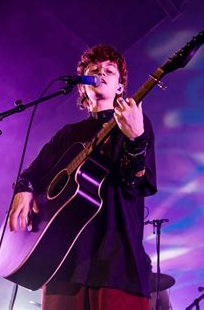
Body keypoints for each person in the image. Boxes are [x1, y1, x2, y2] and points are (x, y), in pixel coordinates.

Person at [9, 45, 157, 310]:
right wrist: (24, 188)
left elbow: (133, 184)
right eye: (94, 70)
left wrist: (136, 140)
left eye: (109, 70)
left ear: (120, 87)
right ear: (82, 87)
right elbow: (31, 173)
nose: (101, 73)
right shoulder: (67, 135)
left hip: (116, 262)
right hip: (62, 263)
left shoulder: (135, 121)